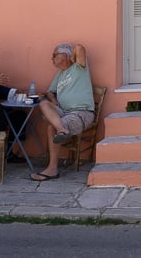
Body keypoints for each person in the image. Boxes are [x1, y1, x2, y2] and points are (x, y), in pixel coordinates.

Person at [31, 43, 95, 181]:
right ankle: (62, 130)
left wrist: (71, 58)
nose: (51, 59)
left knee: (50, 127)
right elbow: (49, 92)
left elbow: (80, 47)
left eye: (54, 55)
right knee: (44, 103)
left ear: (64, 56)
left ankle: (52, 169)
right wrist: (53, 100)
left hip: (81, 112)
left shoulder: (79, 67)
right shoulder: (60, 74)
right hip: (64, 112)